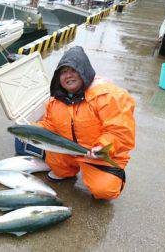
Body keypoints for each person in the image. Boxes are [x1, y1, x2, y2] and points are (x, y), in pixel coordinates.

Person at [34, 46, 135, 200]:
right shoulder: (56, 101)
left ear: (84, 72)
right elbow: (49, 126)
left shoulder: (108, 96)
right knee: (56, 166)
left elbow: (120, 131)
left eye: (73, 70)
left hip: (97, 153)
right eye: (63, 72)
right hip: (69, 151)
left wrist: (102, 148)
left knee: (104, 191)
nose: (68, 75)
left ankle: (114, 176)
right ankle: (67, 171)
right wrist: (31, 131)